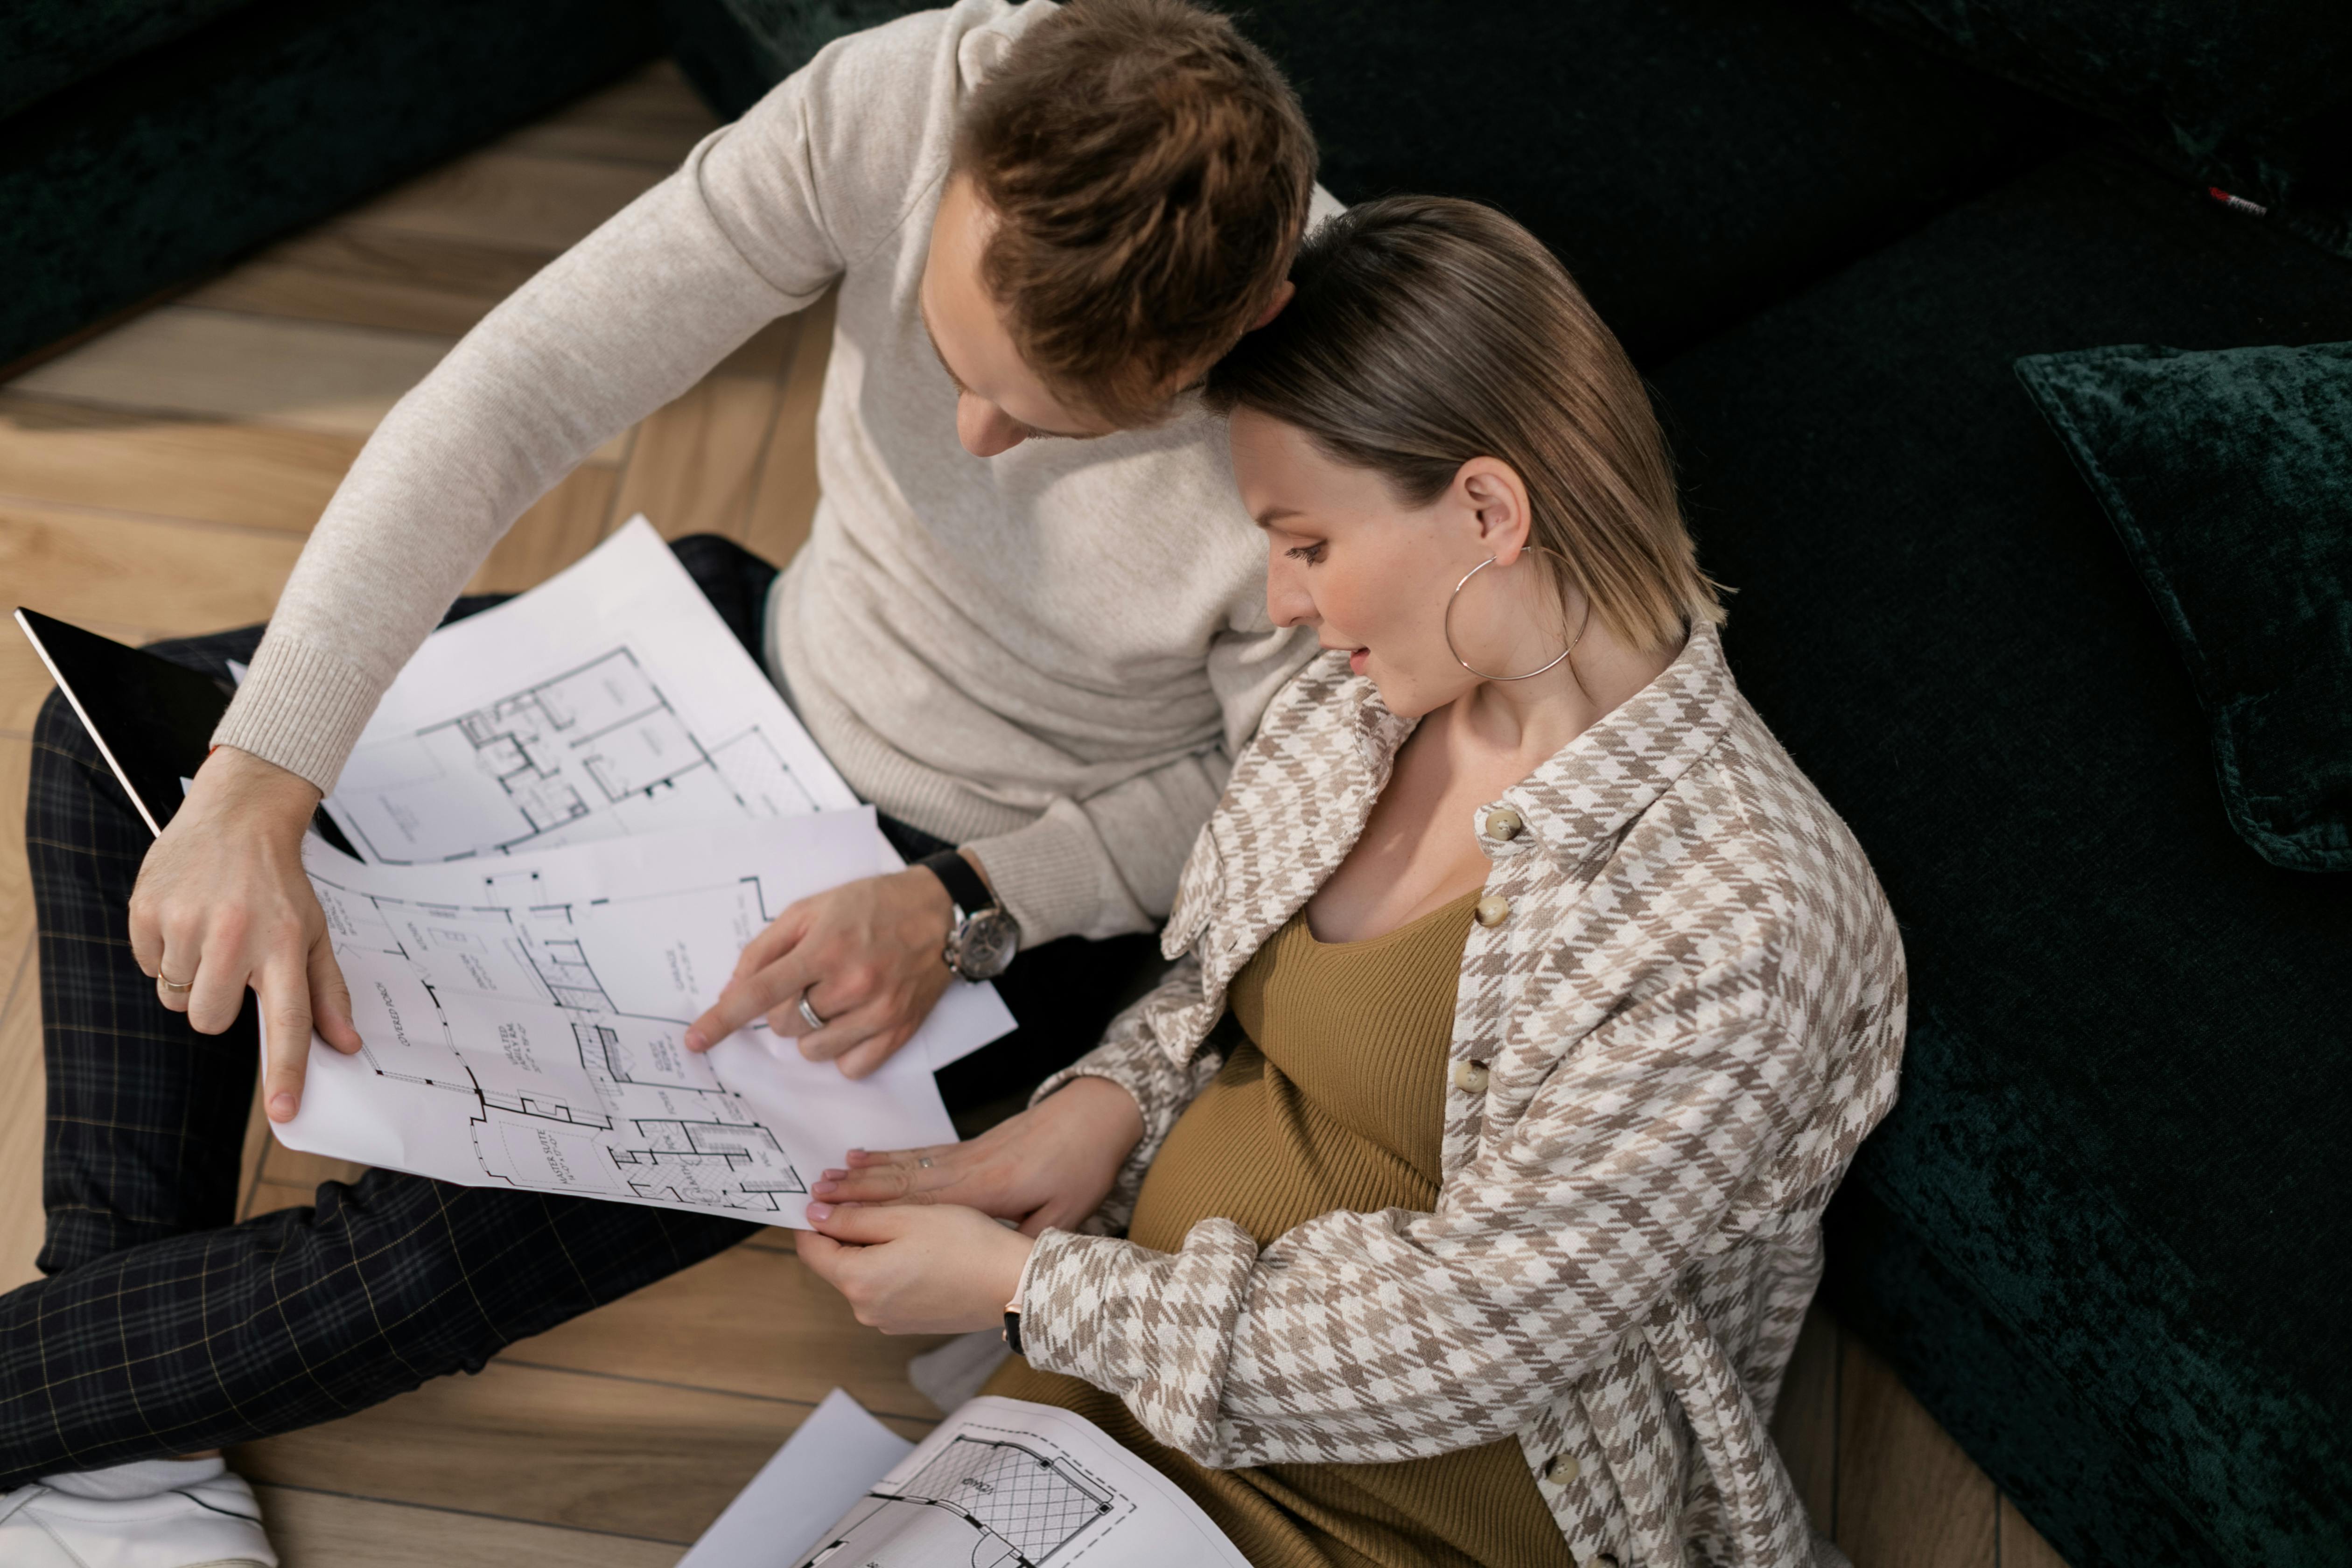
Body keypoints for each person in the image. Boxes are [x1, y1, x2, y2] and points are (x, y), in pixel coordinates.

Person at [1, 1, 1336, 1561]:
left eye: (1048, 424)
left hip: (971, 905)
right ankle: (113, 1436)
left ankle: (105, 1440)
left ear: (1235, 334)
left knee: (423, 1263)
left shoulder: (1339, 420)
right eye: (954, 361)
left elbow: (1280, 802)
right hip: (731, 672)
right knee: (127, 759)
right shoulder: (912, 96)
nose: (973, 443)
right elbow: (523, 388)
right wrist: (259, 782)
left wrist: (974, 897)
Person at [792, 196, 1909, 1568]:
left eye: (1306, 542)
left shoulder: (1747, 916)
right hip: (1137, 1368)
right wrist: (1105, 1103)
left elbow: (1476, 1336)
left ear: (1488, 510)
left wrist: (1035, 1289)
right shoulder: (1362, 710)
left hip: (1415, 1500)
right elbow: (1210, 988)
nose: (1281, 605)